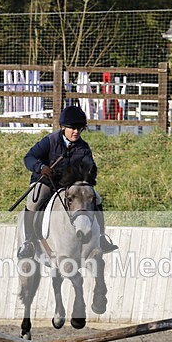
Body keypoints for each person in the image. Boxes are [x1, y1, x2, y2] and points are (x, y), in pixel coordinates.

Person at [17, 105, 118, 259]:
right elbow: (28, 157)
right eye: (72, 128)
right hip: (46, 180)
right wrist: (41, 167)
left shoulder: (83, 148)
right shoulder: (49, 141)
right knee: (33, 201)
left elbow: (90, 168)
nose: (76, 131)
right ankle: (28, 243)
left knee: (96, 198)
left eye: (79, 128)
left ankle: (101, 237)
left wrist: (88, 173)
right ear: (63, 127)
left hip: (69, 185)